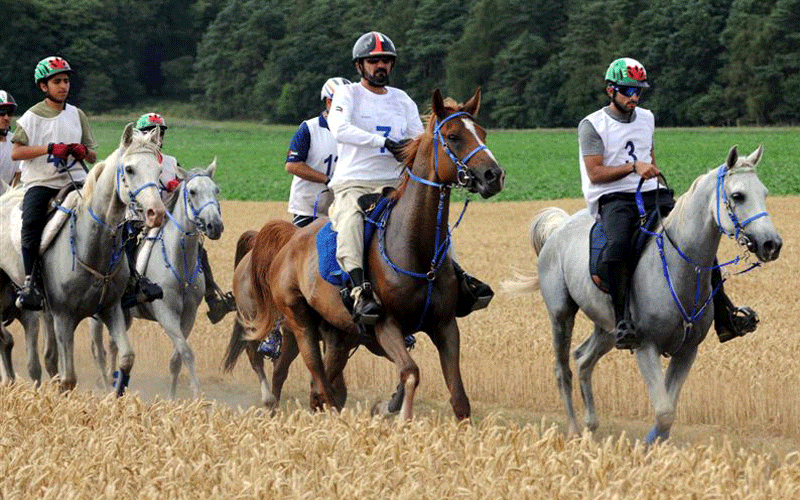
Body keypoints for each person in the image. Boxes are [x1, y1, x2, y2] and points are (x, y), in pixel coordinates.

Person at [578, 57, 758, 350]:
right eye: (627, 90)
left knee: (695, 239)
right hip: (614, 198)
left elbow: (651, 159)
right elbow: (596, 174)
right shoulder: (591, 125)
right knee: (618, 247)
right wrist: (634, 167)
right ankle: (623, 321)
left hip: (651, 192)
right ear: (610, 90)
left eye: (639, 91)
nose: (634, 96)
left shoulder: (647, 118)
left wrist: (652, 178)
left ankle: (725, 314)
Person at [327, 31, 493, 325]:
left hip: (395, 183)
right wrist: (382, 142)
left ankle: (456, 273)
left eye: (386, 61)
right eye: (373, 60)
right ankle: (358, 290)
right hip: (355, 182)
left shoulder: (401, 99)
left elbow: (421, 139)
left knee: (432, 220)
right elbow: (339, 128)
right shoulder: (347, 94)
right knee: (351, 220)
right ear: (359, 66)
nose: (381, 66)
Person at [259, 77, 351, 358]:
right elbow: (292, 164)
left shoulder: (353, 132)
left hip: (343, 212)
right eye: (341, 104)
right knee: (284, 269)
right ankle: (274, 328)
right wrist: (327, 179)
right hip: (308, 211)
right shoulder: (309, 129)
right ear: (327, 103)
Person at [126, 113, 235, 324]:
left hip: (168, 217)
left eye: (160, 132)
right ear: (141, 134)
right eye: (149, 131)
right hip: (140, 218)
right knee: (128, 244)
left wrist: (178, 186)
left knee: (198, 249)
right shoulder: (136, 159)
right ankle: (129, 289)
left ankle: (213, 296)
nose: (156, 136)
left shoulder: (170, 162)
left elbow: (180, 189)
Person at [11, 56, 98, 310]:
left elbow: (93, 155)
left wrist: (82, 151)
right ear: (43, 87)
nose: (63, 86)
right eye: (57, 81)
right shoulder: (30, 117)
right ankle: (30, 282)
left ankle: (129, 279)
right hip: (42, 182)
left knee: (113, 214)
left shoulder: (77, 115)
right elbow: (16, 153)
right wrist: (49, 148)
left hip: (78, 181)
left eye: (66, 81)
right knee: (31, 223)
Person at [0, 90, 21, 193]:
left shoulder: (15, 142)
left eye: (10, 112)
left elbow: (17, 176)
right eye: (1, 112)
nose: (6, 117)